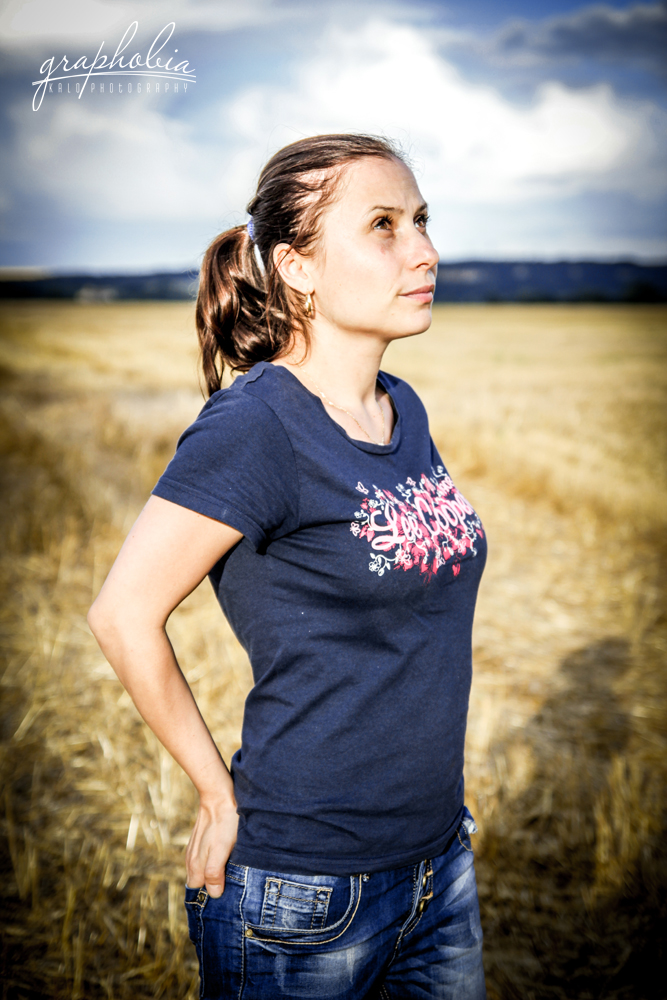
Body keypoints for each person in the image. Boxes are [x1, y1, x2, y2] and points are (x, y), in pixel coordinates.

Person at [88, 133, 488, 1000]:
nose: (423, 250)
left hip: (438, 868)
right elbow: (122, 615)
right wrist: (214, 794)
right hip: (304, 896)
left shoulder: (401, 408)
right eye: (382, 225)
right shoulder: (256, 427)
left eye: (421, 221)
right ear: (296, 268)